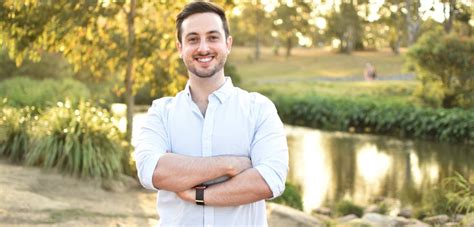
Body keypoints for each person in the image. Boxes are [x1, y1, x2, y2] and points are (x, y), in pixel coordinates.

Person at [134, 2, 289, 226]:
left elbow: (270, 180)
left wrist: (198, 195)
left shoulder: (259, 108)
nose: (203, 48)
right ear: (180, 48)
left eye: (213, 37)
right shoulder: (161, 112)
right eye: (193, 39)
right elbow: (151, 171)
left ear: (228, 44)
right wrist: (230, 165)